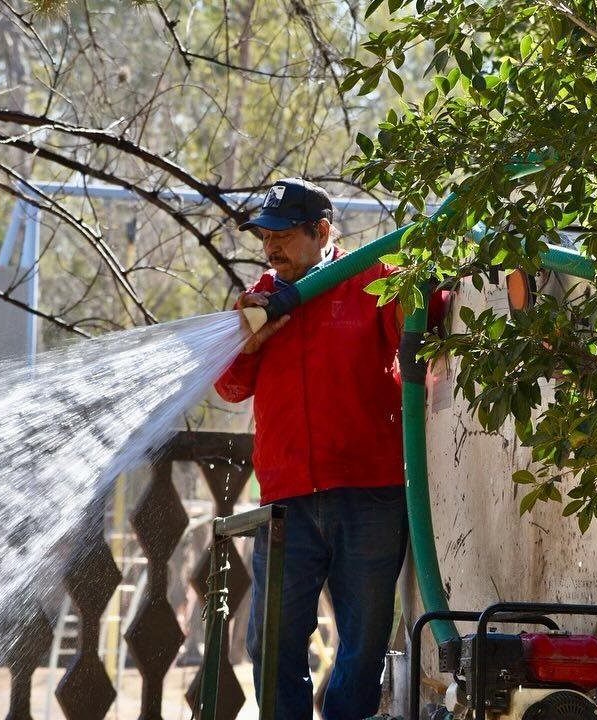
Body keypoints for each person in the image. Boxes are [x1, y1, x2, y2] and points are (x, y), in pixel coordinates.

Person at [215, 178, 444, 720]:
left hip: (372, 497)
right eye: (263, 237)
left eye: (282, 235)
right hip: (287, 503)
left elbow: (431, 316)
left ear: (321, 232)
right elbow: (228, 387)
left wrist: (430, 275)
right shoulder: (260, 300)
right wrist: (248, 345)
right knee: (270, 645)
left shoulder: (371, 278)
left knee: (363, 648)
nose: (270, 248)